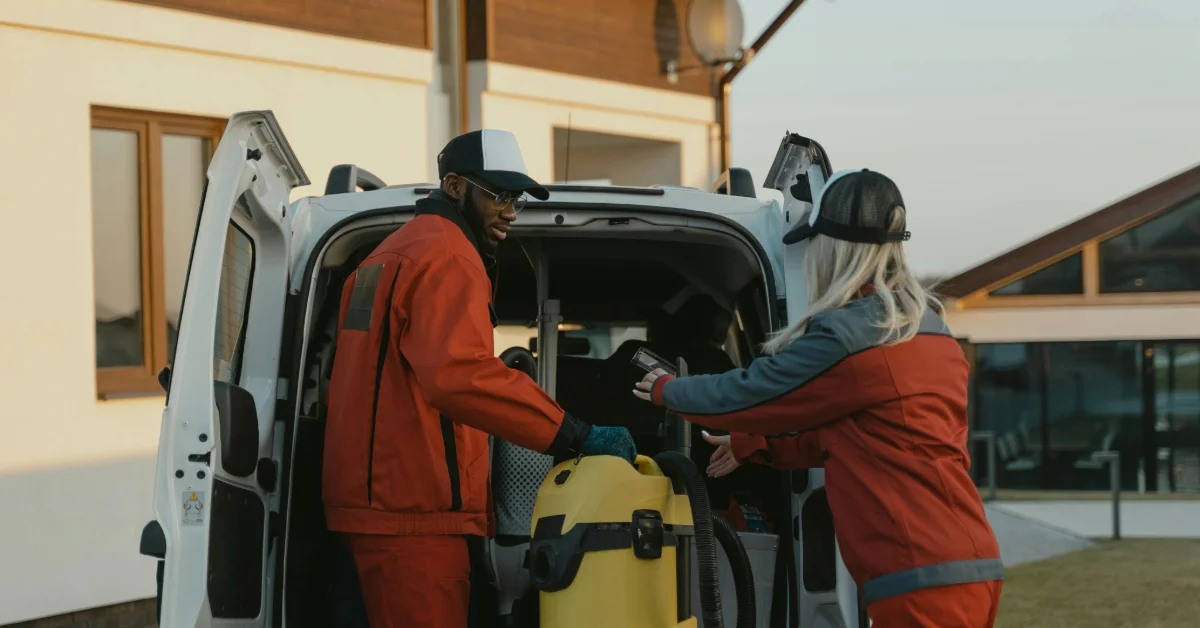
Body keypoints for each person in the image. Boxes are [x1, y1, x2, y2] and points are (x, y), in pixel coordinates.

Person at [634, 169, 1002, 627]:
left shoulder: (851, 337)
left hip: (917, 572)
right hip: (969, 560)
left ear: (833, 247)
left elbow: (753, 391)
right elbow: (853, 439)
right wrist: (751, 445)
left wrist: (668, 390)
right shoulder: (927, 330)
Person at [323, 129, 635, 628]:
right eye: (498, 195)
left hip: (368, 512)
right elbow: (460, 376)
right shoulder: (448, 255)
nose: (511, 210)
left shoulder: (383, 255)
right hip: (416, 519)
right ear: (453, 186)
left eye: (517, 197)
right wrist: (575, 435)